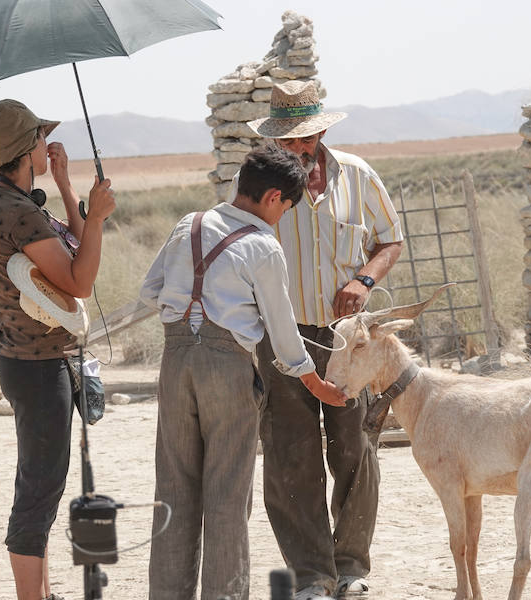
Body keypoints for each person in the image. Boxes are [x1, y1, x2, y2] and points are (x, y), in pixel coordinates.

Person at [140, 145, 347, 600]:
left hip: (175, 362)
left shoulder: (187, 225)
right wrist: (316, 383)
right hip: (227, 365)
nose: (283, 217)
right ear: (274, 197)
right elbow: (282, 328)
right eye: (288, 208)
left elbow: (149, 290)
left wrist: (189, 314)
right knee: (228, 495)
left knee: (173, 488)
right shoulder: (262, 247)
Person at [232, 80, 404, 599]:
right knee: (290, 453)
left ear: (322, 131)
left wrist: (364, 280)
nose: (297, 150)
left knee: (354, 447)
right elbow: (236, 246)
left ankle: (351, 567)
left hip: (347, 341)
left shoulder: (358, 175)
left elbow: (390, 239)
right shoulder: (258, 184)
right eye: (286, 141)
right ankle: (311, 576)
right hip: (279, 336)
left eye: (304, 139)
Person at [0, 99, 115, 600]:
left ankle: (44, 593)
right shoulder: (16, 212)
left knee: (44, 483)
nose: (47, 144)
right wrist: (96, 216)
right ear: (24, 148)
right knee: (39, 491)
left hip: (33, 363)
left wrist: (65, 185)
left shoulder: (13, 200)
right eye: (40, 138)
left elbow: (74, 254)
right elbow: (81, 281)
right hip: (36, 370)